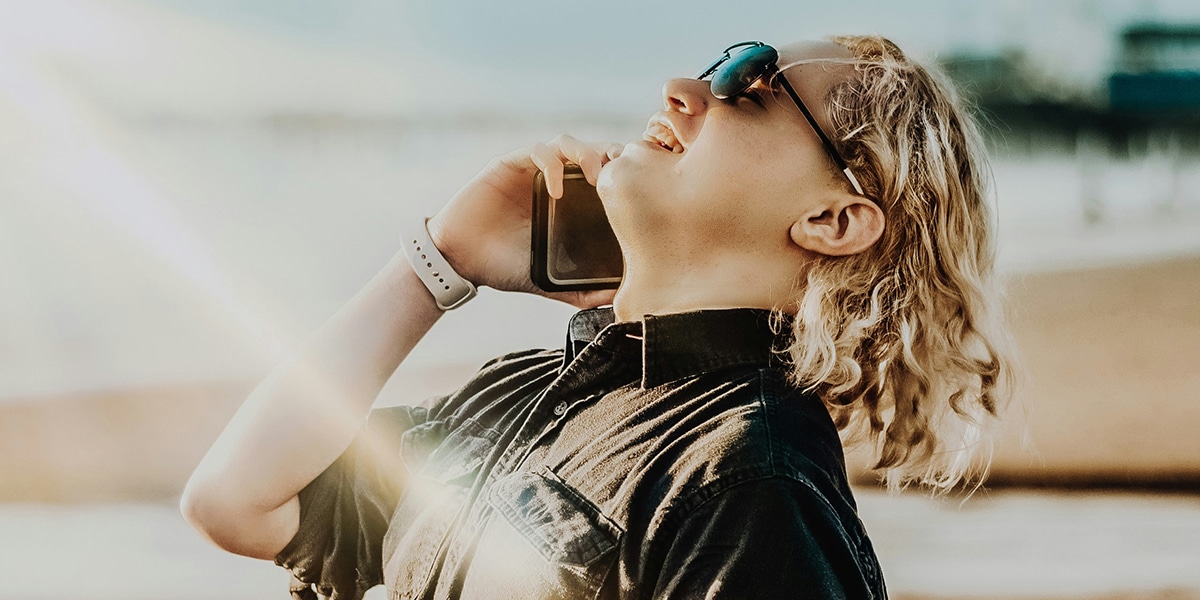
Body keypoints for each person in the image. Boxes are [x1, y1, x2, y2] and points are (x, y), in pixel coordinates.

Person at [181, 35, 1013, 599]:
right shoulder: (519, 393)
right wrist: (435, 263)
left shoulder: (746, 479)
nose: (684, 92)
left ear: (832, 220)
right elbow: (234, 501)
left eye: (750, 91)